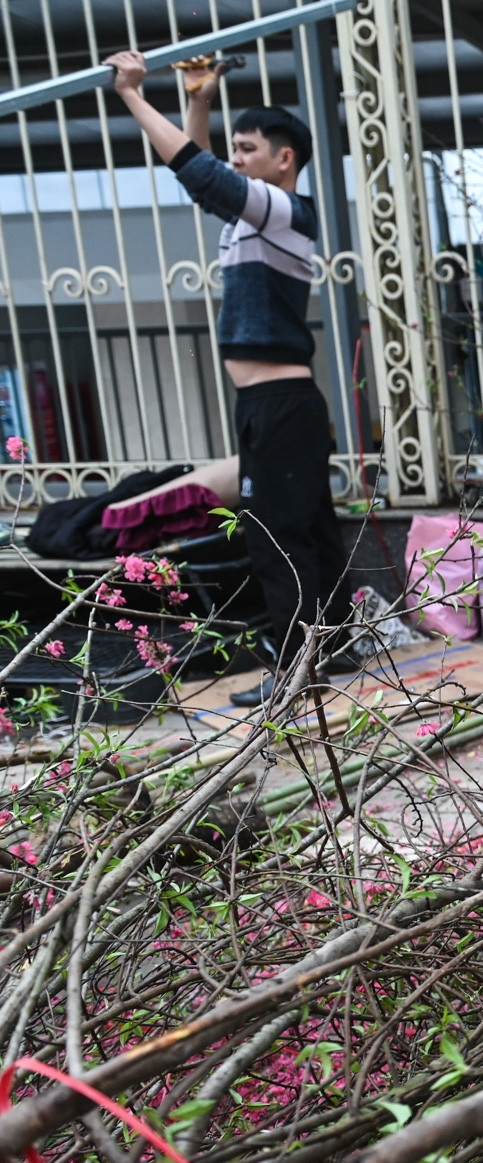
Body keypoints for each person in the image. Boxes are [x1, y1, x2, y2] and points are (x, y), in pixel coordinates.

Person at [107, 51, 349, 706]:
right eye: (235, 148)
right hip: (271, 405)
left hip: (280, 403)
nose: (237, 159)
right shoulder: (256, 218)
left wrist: (132, 95)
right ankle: (338, 650)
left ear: (284, 161)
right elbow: (205, 177)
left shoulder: (284, 211)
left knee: (277, 541)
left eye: (250, 149)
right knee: (311, 532)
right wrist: (199, 99)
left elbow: (203, 172)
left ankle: (299, 672)